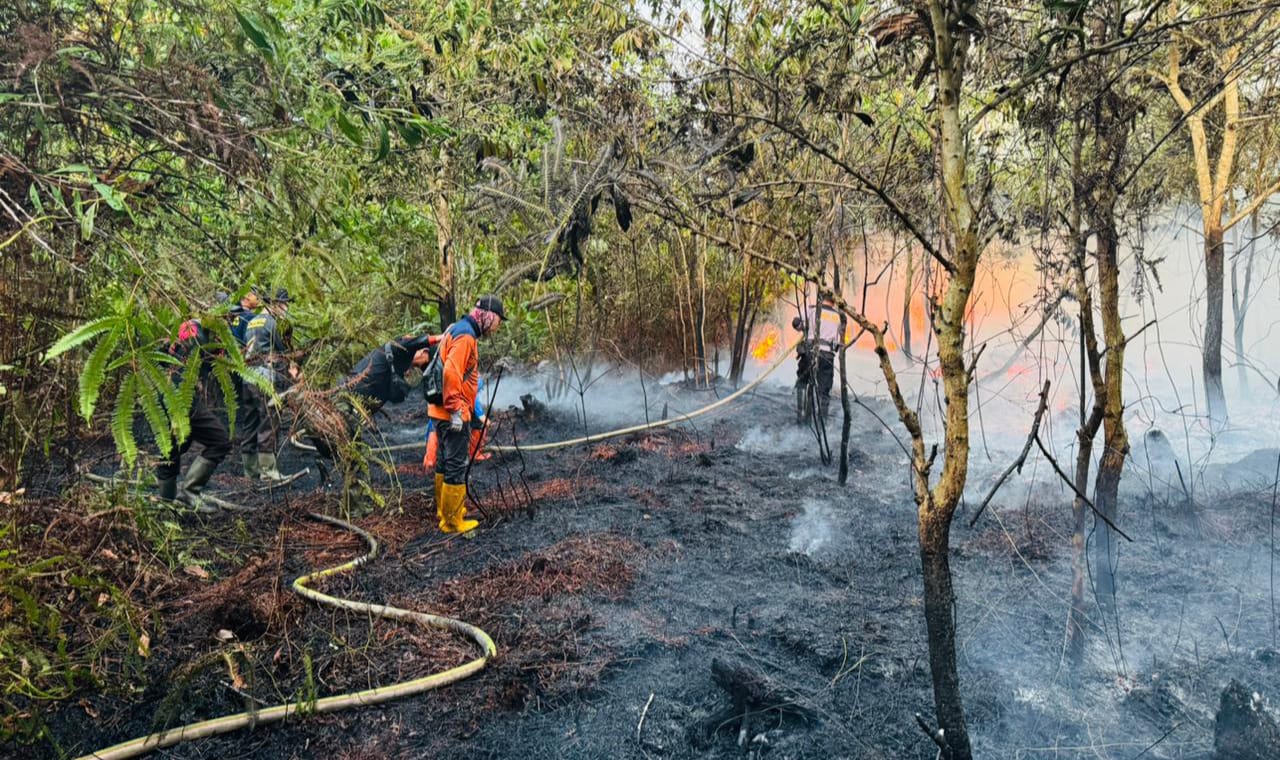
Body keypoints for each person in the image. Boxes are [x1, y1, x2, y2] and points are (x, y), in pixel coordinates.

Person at [429, 295, 504, 534]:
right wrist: (457, 411)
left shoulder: (458, 329)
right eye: (498, 321)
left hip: (441, 411)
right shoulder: (465, 336)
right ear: (488, 315)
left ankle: (446, 512)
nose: (497, 327)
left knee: (445, 461)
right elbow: (451, 372)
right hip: (452, 412)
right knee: (455, 464)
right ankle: (452, 522)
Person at [155, 317, 231, 512]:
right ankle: (187, 494)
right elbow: (195, 357)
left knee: (175, 445)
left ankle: (168, 501)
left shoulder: (191, 329)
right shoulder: (197, 333)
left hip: (168, 395)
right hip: (182, 396)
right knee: (219, 441)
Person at [241, 288, 297, 481]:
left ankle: (250, 470)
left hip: (247, 376)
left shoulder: (252, 322)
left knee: (250, 422)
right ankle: (268, 471)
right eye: (285, 304)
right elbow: (286, 353)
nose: (286, 308)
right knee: (268, 421)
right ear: (277, 304)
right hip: (265, 378)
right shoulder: (274, 323)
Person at [792, 294, 841, 424]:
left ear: (820, 299)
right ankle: (821, 424)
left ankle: (801, 417)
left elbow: (797, 323)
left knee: (802, 382)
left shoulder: (812, 310)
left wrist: (804, 327)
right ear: (834, 301)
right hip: (827, 357)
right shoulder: (838, 316)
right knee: (824, 390)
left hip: (810, 353)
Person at [423, 375, 490, 471]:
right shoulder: (471, 384)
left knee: (435, 425)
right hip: (453, 405)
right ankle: (475, 454)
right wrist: (483, 418)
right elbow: (478, 411)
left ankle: (430, 460)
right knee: (479, 424)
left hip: (438, 400)